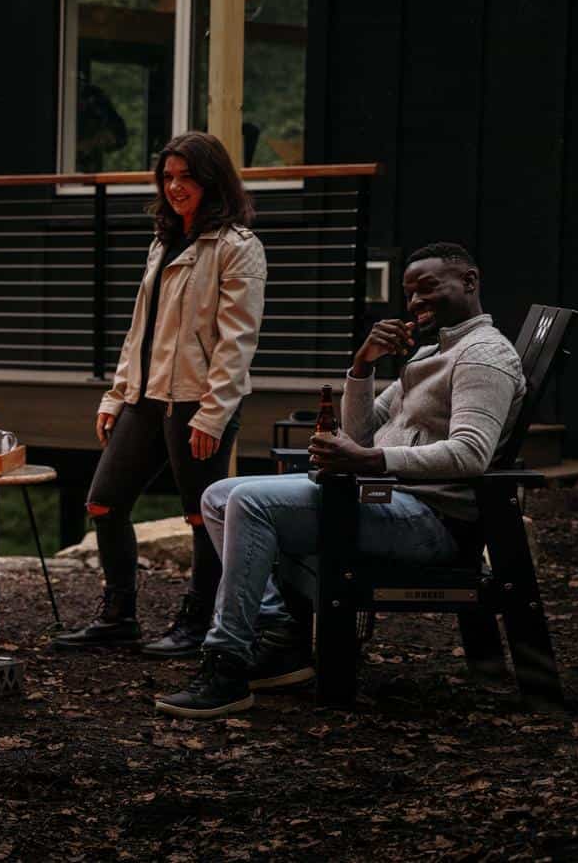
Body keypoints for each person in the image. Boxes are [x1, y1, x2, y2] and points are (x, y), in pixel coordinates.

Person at [155, 241, 526, 719]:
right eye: (410, 294)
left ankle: (225, 664)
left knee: (247, 501)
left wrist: (369, 461)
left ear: (469, 282)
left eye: (428, 289)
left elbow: (470, 454)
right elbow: (359, 430)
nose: (415, 303)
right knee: (218, 495)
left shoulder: (481, 358)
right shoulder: (435, 353)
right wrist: (362, 365)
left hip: (429, 522)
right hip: (388, 501)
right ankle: (280, 637)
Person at [53, 132, 266, 657]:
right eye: (168, 177)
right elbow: (139, 332)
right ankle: (118, 617)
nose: (175, 187)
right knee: (104, 502)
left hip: (198, 402)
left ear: (211, 180)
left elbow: (237, 343)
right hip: (145, 399)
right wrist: (116, 395)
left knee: (202, 516)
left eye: (186, 176)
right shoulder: (163, 240)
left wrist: (214, 416)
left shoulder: (237, 247)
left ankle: (197, 625)